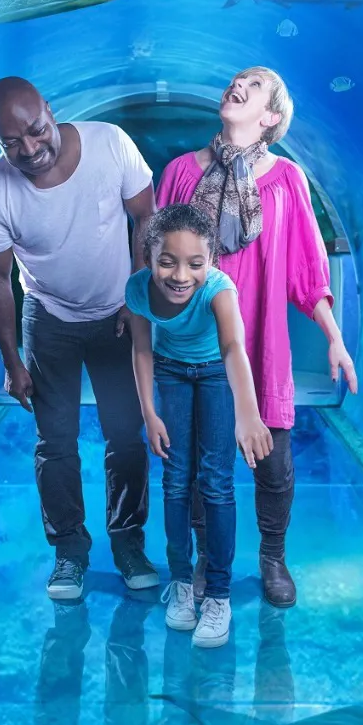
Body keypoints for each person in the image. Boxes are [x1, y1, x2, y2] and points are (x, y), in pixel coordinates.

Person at [157, 66, 358, 607]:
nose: (238, 84)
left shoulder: (287, 180)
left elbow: (307, 272)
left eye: (256, 84)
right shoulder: (179, 174)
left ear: (270, 117)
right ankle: (208, 557)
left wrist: (335, 338)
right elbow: (159, 263)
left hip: (261, 346)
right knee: (201, 468)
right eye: (237, 78)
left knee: (275, 464)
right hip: (195, 346)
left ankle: (273, 557)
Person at [0, 76, 159, 602]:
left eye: (36, 130)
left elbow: (146, 214)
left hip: (116, 313)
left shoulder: (110, 143)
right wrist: (12, 362)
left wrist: (136, 295)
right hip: (49, 318)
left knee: (126, 436)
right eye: (11, 142)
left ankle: (129, 545)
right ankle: (69, 551)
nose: (29, 149)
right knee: (55, 442)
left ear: (50, 110)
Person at [125, 203, 271, 648]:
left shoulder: (219, 290)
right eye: (167, 262)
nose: (180, 275)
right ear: (149, 258)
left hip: (215, 375)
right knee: (175, 480)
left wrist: (248, 413)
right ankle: (182, 584)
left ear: (211, 261)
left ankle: (219, 596)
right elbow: (142, 350)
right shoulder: (138, 289)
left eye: (195, 263)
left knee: (216, 482)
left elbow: (233, 349)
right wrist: (149, 413)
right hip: (171, 372)